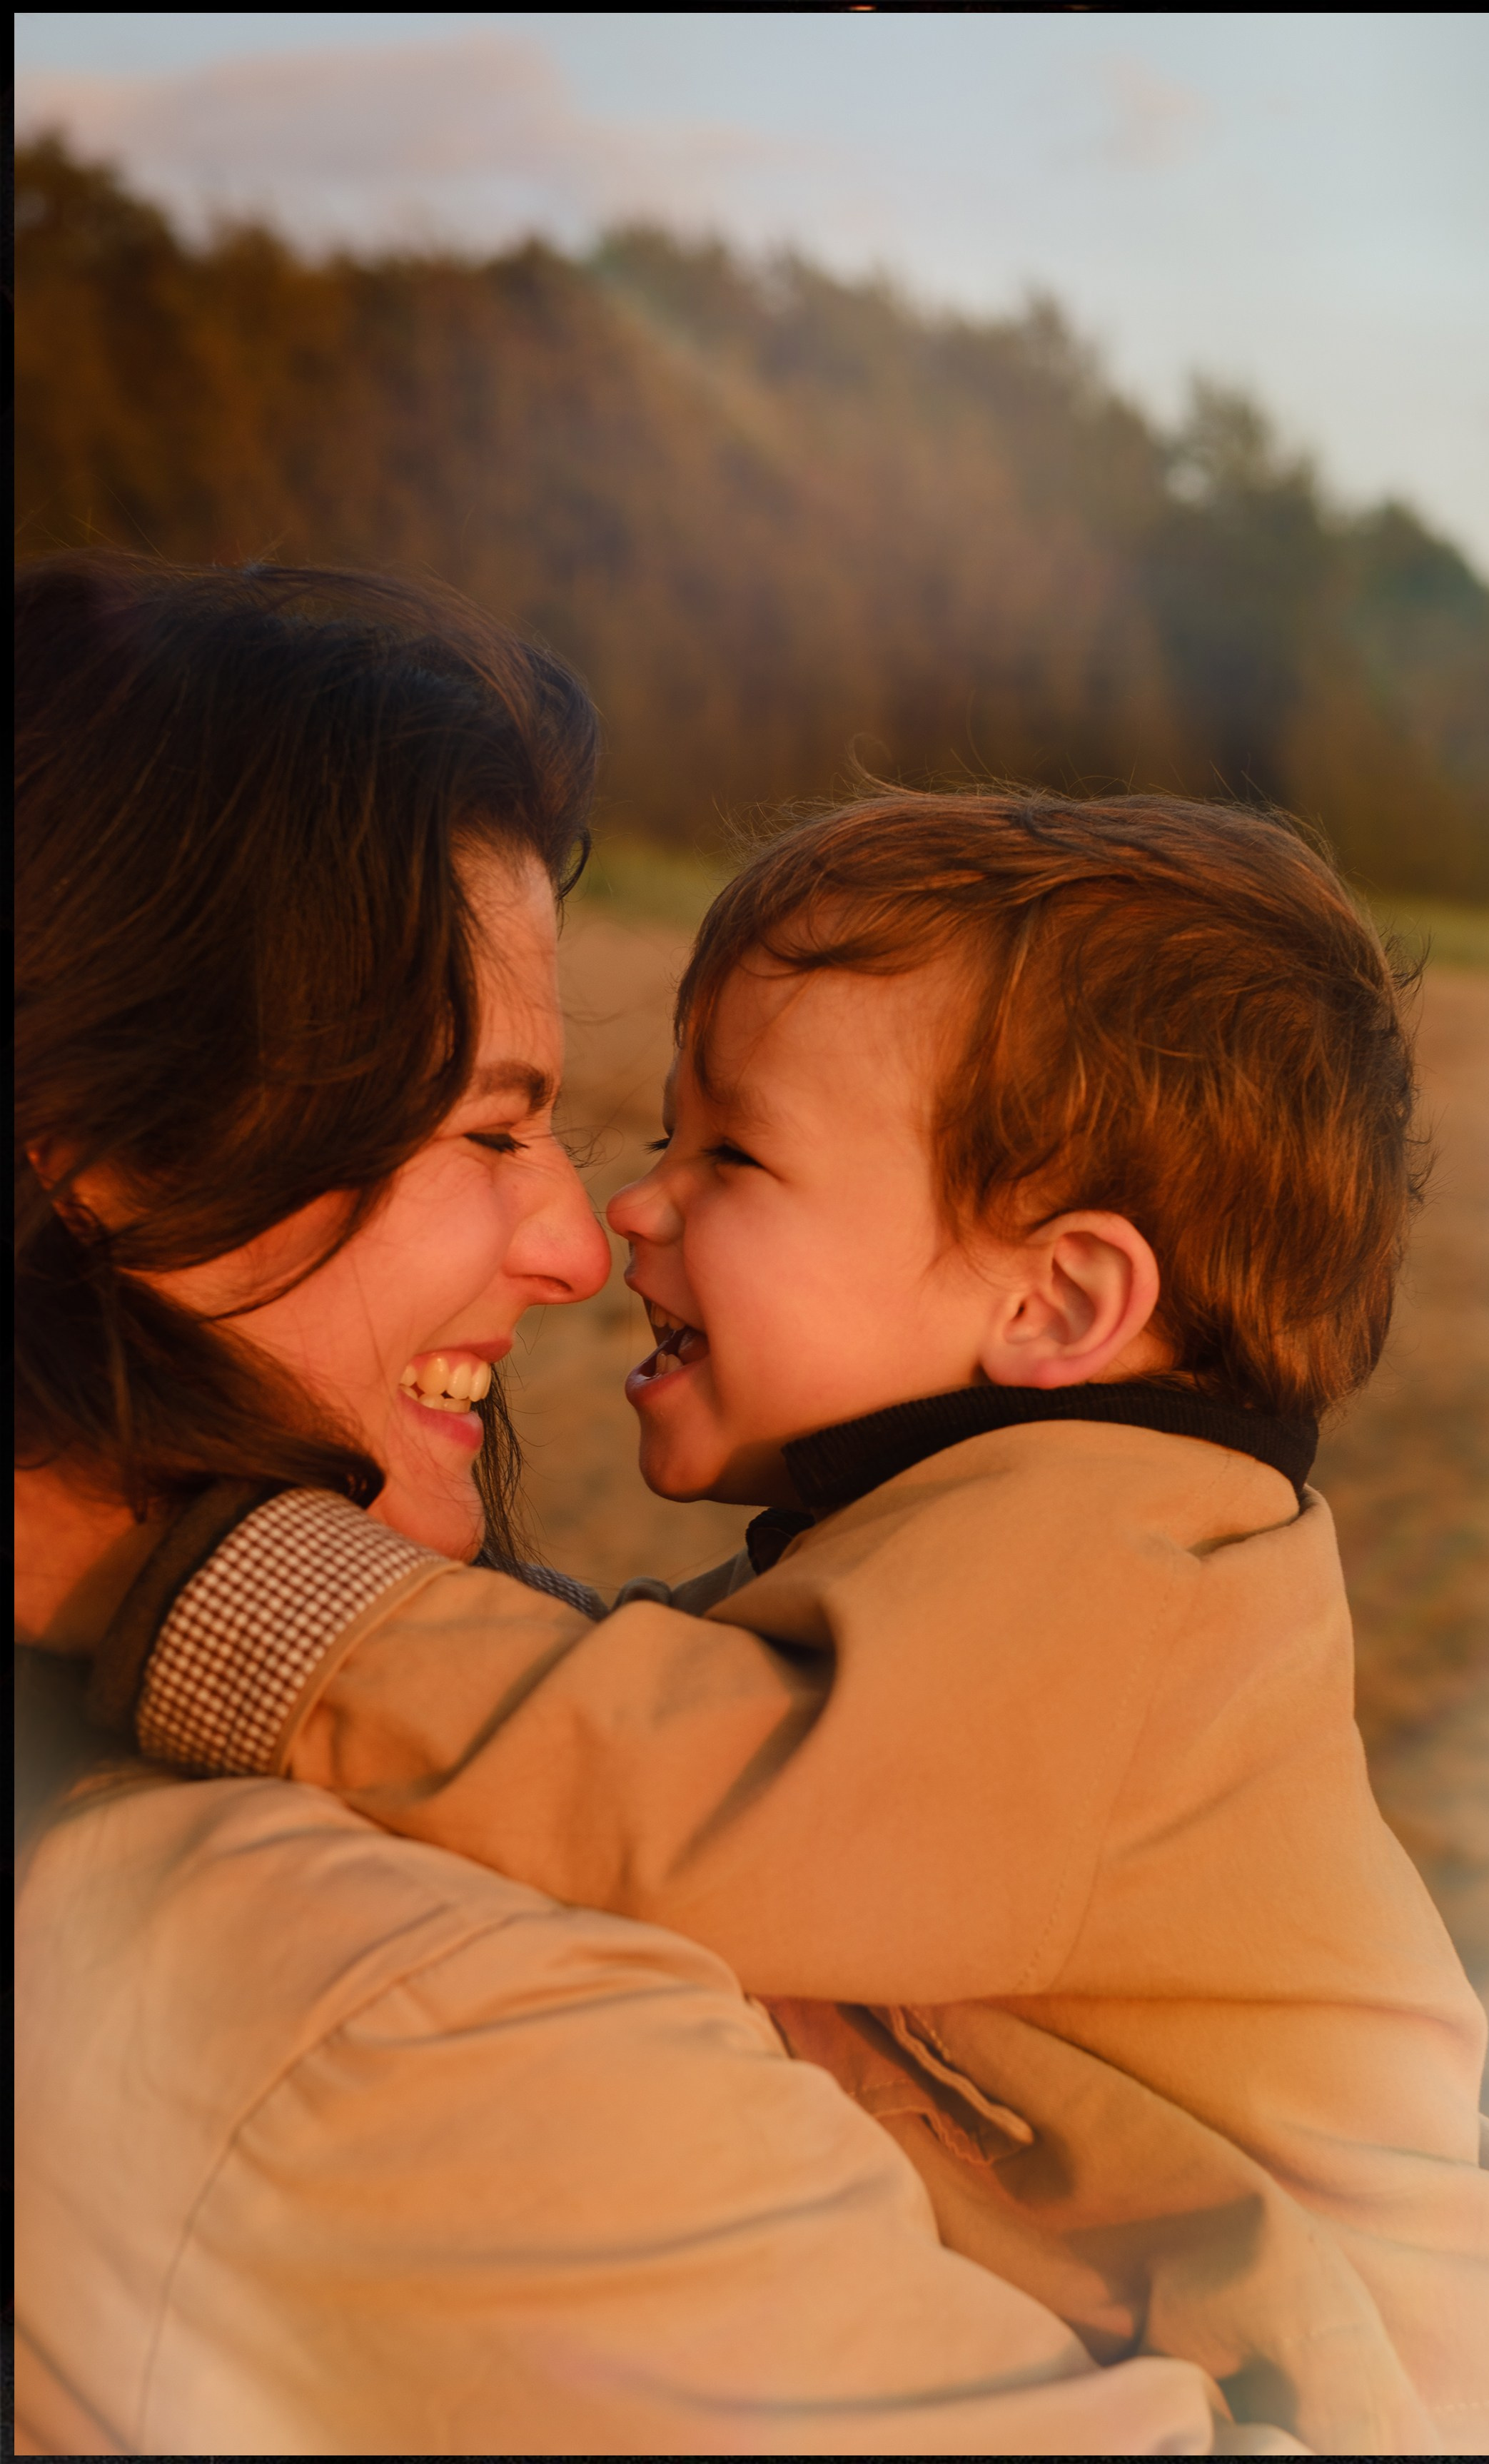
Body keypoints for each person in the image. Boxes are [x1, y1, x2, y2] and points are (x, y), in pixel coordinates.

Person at [96, 795, 1489, 2455]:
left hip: (1373, 2395)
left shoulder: (1106, 1581)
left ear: (1057, 1300)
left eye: (732, 1156)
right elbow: (657, 1702)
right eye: (668, 1137)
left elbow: (679, 1802)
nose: (633, 1209)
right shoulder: (1044, 1528)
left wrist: (240, 1587)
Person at [15, 552, 1283, 2459]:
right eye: (489, 1124)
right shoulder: (406, 2023)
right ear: (104, 1155)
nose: (576, 1235)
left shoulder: (1099, 1577)